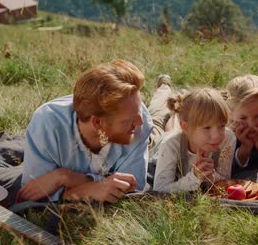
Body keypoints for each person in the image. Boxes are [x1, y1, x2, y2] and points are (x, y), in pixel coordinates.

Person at [13, 59, 153, 204]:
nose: (139, 123)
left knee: (161, 121)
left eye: (138, 115)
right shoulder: (47, 125)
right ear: (97, 122)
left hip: (152, 136)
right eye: (128, 121)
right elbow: (34, 194)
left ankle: (164, 89)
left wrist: (68, 179)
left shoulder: (140, 123)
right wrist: (93, 187)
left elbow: (131, 191)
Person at [152, 87, 237, 193]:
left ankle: (175, 113)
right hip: (159, 144)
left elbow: (225, 179)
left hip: (183, 131)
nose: (216, 136)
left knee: (173, 125)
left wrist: (210, 176)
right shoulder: (170, 145)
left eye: (222, 126)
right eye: (207, 128)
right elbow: (160, 190)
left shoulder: (227, 138)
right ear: (185, 127)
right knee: (157, 119)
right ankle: (164, 88)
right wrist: (194, 177)